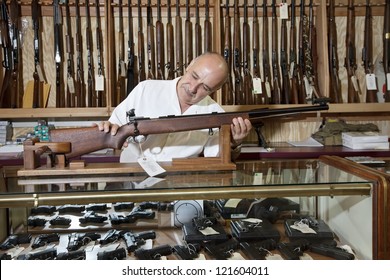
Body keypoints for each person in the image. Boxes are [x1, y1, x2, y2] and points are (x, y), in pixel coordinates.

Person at [97, 52, 252, 163]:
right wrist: (108, 129)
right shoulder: (146, 89)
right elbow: (114, 126)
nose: (192, 88)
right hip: (130, 175)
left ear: (215, 90)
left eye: (205, 87)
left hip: (179, 185)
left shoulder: (216, 113)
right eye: (194, 76)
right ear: (189, 65)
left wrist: (234, 143)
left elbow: (216, 158)